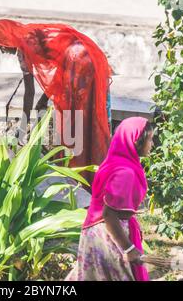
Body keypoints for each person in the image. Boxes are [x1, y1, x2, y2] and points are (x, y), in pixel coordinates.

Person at [0, 19, 112, 187]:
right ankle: (94, 171)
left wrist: (23, 129)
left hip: (77, 62)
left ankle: (78, 175)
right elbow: (58, 70)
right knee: (89, 116)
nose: (3, 50)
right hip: (87, 54)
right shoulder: (31, 33)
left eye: (1, 45)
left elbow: (29, 92)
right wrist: (43, 100)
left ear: (7, 39)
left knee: (71, 121)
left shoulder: (24, 49)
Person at [66, 117, 154, 281]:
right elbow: (109, 214)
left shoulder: (113, 163)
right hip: (108, 237)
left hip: (94, 233)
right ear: (137, 141)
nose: (152, 144)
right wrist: (128, 248)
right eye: (150, 139)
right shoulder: (125, 172)